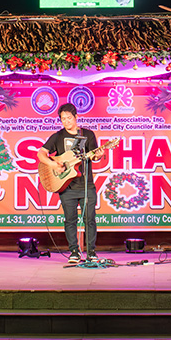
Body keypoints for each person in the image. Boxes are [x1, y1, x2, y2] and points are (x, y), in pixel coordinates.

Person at [39, 103, 100, 264]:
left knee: (90, 219)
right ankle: (74, 251)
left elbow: (94, 155)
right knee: (70, 219)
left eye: (69, 118)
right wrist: (54, 165)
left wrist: (98, 155)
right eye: (63, 119)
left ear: (76, 117)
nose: (66, 121)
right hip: (66, 186)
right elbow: (41, 153)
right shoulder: (58, 136)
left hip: (86, 185)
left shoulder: (87, 134)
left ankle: (91, 252)